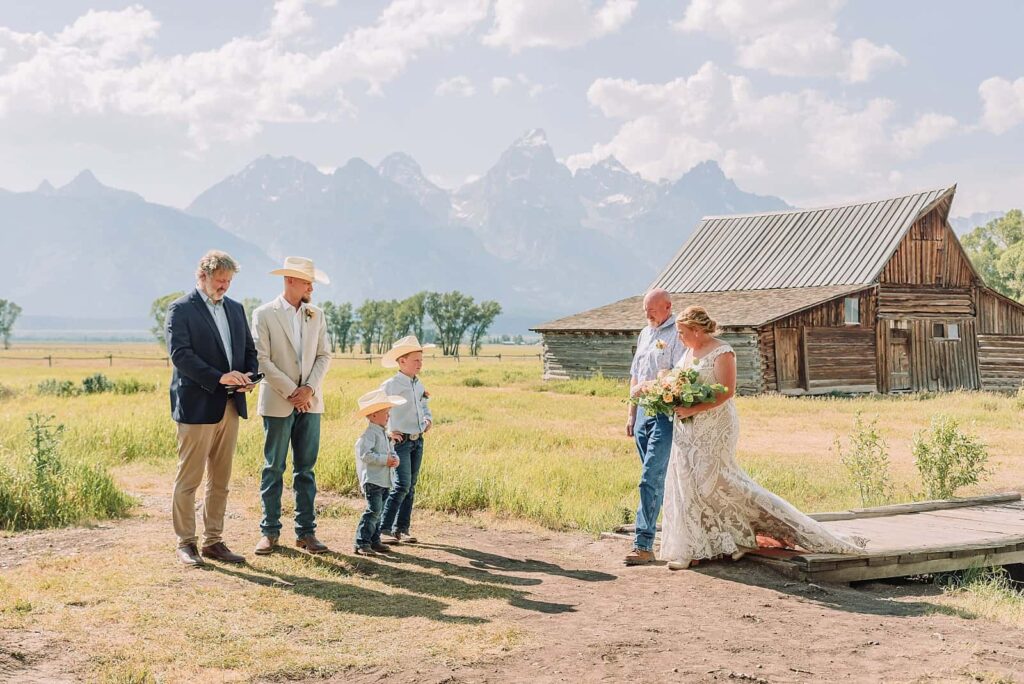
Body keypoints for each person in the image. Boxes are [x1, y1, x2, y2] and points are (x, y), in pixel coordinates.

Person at [659, 306, 867, 570]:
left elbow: (726, 391)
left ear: (697, 331)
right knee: (686, 481)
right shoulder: (689, 352)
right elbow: (680, 383)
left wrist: (694, 407)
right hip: (688, 428)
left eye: (682, 332)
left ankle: (761, 528)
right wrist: (668, 392)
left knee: (720, 480)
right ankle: (693, 547)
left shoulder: (723, 351)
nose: (679, 338)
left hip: (715, 425)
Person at [166, 250, 259, 567]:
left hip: (231, 405)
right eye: (220, 280)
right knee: (189, 480)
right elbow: (181, 355)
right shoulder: (180, 310)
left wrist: (248, 376)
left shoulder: (235, 308)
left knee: (221, 481)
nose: (225, 287)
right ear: (202, 276)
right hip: (196, 406)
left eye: (229, 281)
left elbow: (248, 349)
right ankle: (185, 543)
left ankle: (214, 542)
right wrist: (219, 378)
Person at [251, 257, 332, 555]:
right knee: (274, 467)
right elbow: (261, 360)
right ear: (289, 280)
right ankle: (269, 532)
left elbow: (324, 356)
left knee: (306, 470)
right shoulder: (263, 314)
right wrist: (291, 391)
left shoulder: (317, 315)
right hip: (278, 402)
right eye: (307, 280)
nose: (311, 286)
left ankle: (306, 533)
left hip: (310, 402)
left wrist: (308, 389)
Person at [624, 288, 685, 566]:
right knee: (656, 481)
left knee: (650, 478)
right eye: (645, 309)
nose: (647, 314)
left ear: (667, 307)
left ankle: (643, 544)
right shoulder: (645, 332)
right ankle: (663, 533)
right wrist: (631, 415)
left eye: (652, 309)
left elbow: (679, 376)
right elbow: (635, 374)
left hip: (664, 414)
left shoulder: (677, 334)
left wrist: (653, 388)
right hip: (642, 416)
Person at [378, 335, 434, 544]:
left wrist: (428, 419)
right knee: (401, 485)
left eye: (421, 360)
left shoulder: (418, 385)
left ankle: (401, 528)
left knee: (410, 486)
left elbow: (423, 405)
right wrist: (388, 433)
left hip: (417, 440)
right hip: (400, 441)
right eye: (415, 360)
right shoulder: (390, 385)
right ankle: (384, 528)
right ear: (402, 361)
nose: (420, 364)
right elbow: (377, 409)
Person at [353, 388, 406, 555]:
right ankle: (361, 542)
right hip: (373, 480)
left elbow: (390, 451)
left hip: (384, 479)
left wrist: (394, 459)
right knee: (373, 510)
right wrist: (385, 460)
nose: (389, 416)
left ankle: (374, 540)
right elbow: (365, 454)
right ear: (374, 415)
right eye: (385, 412)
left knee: (379, 511)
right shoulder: (369, 434)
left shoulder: (384, 434)